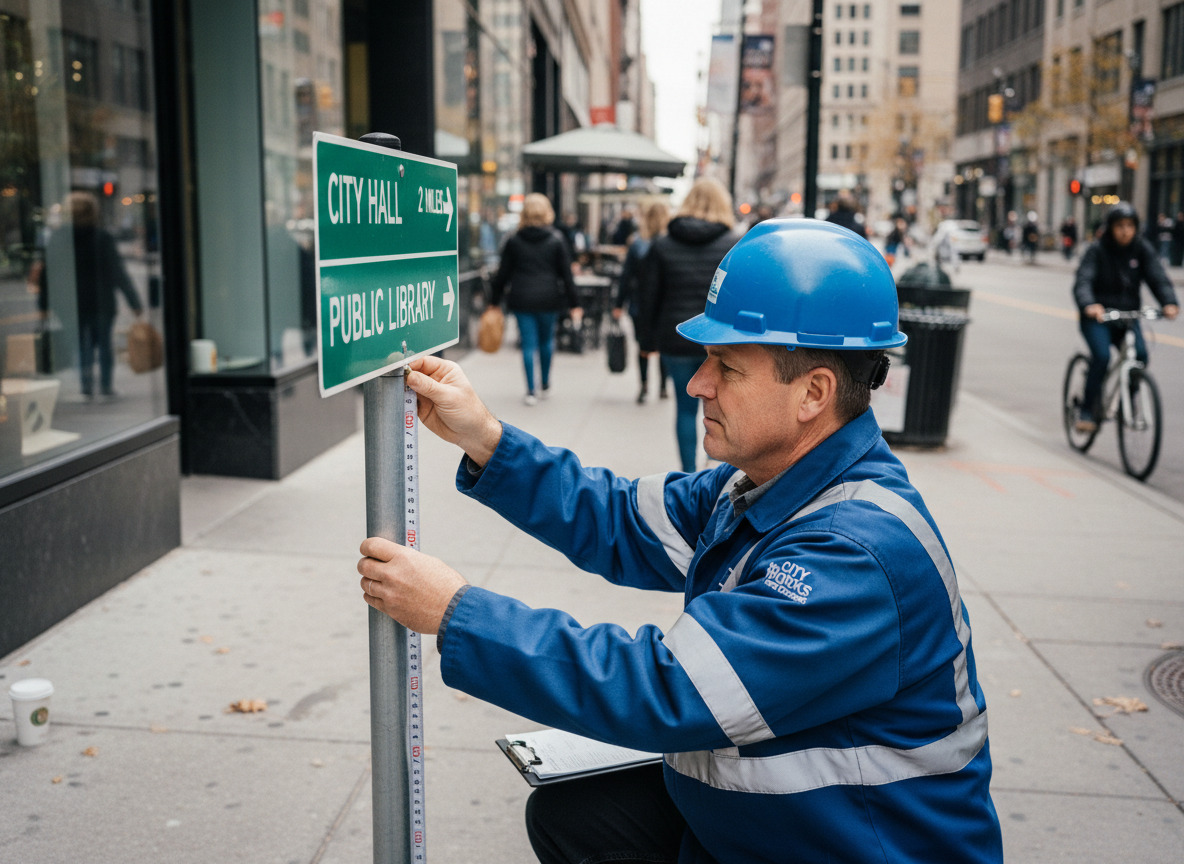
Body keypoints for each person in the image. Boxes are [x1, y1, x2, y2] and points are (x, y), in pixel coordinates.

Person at [357, 219, 1005, 864]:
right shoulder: (763, 483)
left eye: (727, 367)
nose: (698, 384)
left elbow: (669, 690)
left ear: (814, 393)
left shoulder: (854, 554)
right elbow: (619, 517)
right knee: (576, 818)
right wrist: (485, 438)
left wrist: (455, 612)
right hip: (788, 828)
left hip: (856, 846)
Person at [639, 177, 740, 472]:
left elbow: (648, 297)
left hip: (677, 338)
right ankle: (718, 472)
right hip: (722, 340)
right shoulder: (734, 245)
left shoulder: (662, 245)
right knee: (725, 409)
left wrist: (647, 342)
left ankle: (688, 475)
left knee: (684, 410)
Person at [1071, 202, 1179, 432]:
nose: (1125, 231)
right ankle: (1087, 410)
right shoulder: (1097, 251)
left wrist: (1169, 302)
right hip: (1098, 318)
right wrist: (1089, 304)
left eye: (1130, 226)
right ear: (1110, 227)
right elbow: (1084, 280)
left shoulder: (1141, 249)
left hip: (1127, 317)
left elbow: (1158, 277)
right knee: (1101, 357)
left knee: (1140, 356)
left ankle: (1126, 404)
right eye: (1120, 225)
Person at [39, 190, 143, 398]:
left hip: (70, 303)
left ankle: (85, 386)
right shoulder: (102, 237)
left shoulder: (58, 238)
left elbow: (47, 274)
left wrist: (43, 304)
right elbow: (117, 272)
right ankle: (106, 386)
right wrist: (134, 302)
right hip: (101, 301)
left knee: (79, 345)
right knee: (104, 344)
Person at [489, 193, 582, 405]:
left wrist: (494, 301)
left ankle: (531, 390)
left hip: (522, 298)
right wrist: (575, 303)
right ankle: (545, 384)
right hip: (549, 298)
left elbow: (502, 275)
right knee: (547, 341)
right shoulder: (556, 239)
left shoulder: (513, 240)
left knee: (528, 344)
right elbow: (567, 276)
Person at [611, 200, 670, 403]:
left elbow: (626, 277)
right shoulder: (669, 244)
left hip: (640, 304)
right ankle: (663, 386)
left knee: (643, 346)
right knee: (663, 347)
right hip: (664, 304)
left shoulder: (637, 243)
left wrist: (619, 304)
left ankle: (644, 385)